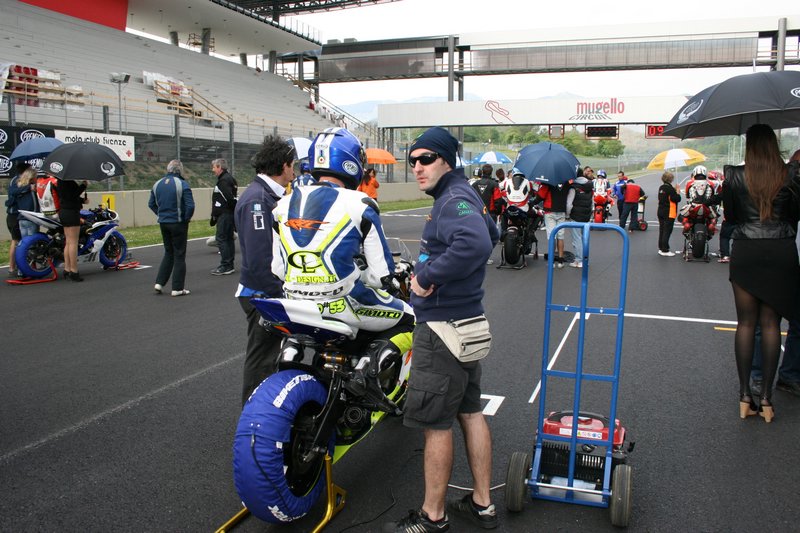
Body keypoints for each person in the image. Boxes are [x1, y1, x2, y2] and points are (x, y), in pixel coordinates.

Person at [384, 127, 499, 533]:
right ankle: (482, 504)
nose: (416, 166)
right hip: (467, 324)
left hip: (442, 329)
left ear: (447, 159)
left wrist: (426, 274)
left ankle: (433, 517)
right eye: (411, 160)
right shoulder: (464, 194)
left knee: (436, 425)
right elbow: (493, 232)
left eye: (426, 158)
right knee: (470, 412)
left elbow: (476, 244)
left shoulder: (452, 198)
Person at [272, 127, 414, 395]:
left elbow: (278, 268)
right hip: (343, 303)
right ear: (352, 163)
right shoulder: (361, 202)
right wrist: (382, 281)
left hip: (294, 301)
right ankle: (367, 370)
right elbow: (381, 274)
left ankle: (290, 353)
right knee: (410, 319)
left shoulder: (281, 205)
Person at [721, 125, 800, 422]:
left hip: (746, 250)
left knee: (745, 324)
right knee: (771, 325)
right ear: (774, 144)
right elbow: (795, 214)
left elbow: (731, 216)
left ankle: (745, 395)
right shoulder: (791, 174)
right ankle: (767, 398)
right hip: (781, 249)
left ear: (749, 147)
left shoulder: (733, 175)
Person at [234, 135, 295, 406]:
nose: (295, 170)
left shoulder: (265, 194)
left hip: (265, 292)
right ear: (283, 165)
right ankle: (253, 420)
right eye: (292, 164)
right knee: (261, 360)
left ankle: (265, 413)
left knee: (272, 357)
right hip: (261, 295)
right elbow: (260, 262)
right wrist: (280, 295)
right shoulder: (257, 200)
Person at [750, 149, 800, 400]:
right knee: (765, 321)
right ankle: (758, 376)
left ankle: (789, 375)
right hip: (779, 256)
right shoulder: (781, 186)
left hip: (784, 255)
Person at [148, 160, 194, 296]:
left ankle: (159, 283)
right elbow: (190, 206)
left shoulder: (157, 184)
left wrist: (160, 214)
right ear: (179, 170)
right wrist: (186, 218)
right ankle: (177, 288)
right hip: (178, 222)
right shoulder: (182, 184)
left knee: (168, 252)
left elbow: (151, 204)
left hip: (163, 222)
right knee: (179, 254)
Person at [56, 176, 88, 281]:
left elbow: (68, 197)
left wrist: (83, 200)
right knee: (73, 242)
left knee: (68, 242)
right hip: (71, 212)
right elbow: (72, 195)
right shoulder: (67, 181)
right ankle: (74, 271)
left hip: (63, 212)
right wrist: (83, 186)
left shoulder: (59, 181)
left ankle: (67, 268)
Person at [210, 158, 238, 276]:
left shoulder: (224, 181)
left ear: (220, 167)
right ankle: (229, 265)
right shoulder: (229, 178)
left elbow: (229, 198)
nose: (213, 170)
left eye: (214, 167)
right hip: (228, 213)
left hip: (225, 214)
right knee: (228, 238)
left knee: (221, 238)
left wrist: (217, 213)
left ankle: (226, 265)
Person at [535, 179, 572, 268]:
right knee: (561, 237)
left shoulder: (548, 181)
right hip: (562, 211)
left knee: (552, 236)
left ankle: (551, 262)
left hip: (550, 211)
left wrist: (532, 202)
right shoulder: (566, 182)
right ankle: (560, 261)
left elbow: (540, 196)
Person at [4, 162, 32, 278]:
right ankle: (12, 267)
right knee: (17, 242)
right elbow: (13, 193)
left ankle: (15, 267)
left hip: (14, 216)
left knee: (17, 241)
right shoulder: (18, 181)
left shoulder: (16, 180)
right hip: (15, 215)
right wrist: (28, 188)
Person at [566, 167, 593, 267]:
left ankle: (579, 260)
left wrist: (567, 215)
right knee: (584, 238)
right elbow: (592, 201)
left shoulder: (573, 187)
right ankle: (585, 260)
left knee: (577, 239)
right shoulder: (589, 185)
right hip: (587, 215)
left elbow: (569, 204)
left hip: (576, 216)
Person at [656, 171, 681, 256]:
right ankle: (665, 250)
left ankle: (661, 247)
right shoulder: (670, 189)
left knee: (662, 230)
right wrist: (677, 191)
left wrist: (674, 190)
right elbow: (677, 199)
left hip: (660, 211)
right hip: (669, 212)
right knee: (667, 230)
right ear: (671, 179)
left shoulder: (661, 187)